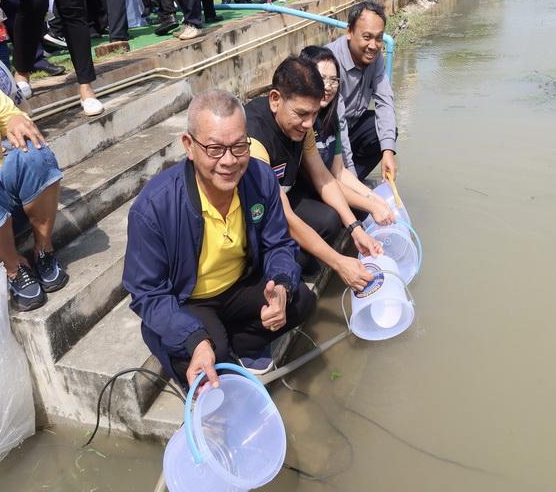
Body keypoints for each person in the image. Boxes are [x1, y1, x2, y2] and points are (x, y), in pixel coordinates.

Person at [124, 90, 315, 384]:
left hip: (239, 285)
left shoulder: (260, 178)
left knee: (300, 300)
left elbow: (279, 243)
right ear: (189, 146)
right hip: (189, 300)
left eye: (239, 146)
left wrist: (280, 288)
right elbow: (148, 293)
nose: (229, 161)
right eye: (214, 149)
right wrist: (196, 339)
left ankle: (244, 342)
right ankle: (213, 340)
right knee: (211, 369)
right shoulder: (154, 207)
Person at [245, 56, 381, 292]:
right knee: (304, 263)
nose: (309, 124)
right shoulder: (254, 137)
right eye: (301, 114)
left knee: (330, 221)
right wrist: (338, 263)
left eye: (314, 114)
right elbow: (282, 214)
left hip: (284, 197)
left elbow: (323, 178)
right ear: (275, 99)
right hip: (255, 215)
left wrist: (355, 229)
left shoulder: (302, 125)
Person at [0, 70, 68, 311]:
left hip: (3, 202)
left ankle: (43, 249)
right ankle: (14, 267)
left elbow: (10, 115)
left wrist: (16, 120)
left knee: (36, 153)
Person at [299, 45, 394, 224]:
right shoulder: (303, 123)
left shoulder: (330, 116)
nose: (328, 87)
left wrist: (372, 197)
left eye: (333, 80)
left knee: (362, 209)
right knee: (332, 219)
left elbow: (339, 171)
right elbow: (323, 181)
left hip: (324, 182)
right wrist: (371, 204)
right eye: (321, 79)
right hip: (305, 190)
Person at [326, 0, 397, 180]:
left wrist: (388, 151)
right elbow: (338, 123)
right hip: (329, 132)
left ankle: (350, 180)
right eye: (367, 37)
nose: (373, 45)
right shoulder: (330, 62)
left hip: (352, 124)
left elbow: (385, 100)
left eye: (379, 38)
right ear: (349, 32)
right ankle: (344, 180)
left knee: (382, 132)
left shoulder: (375, 58)